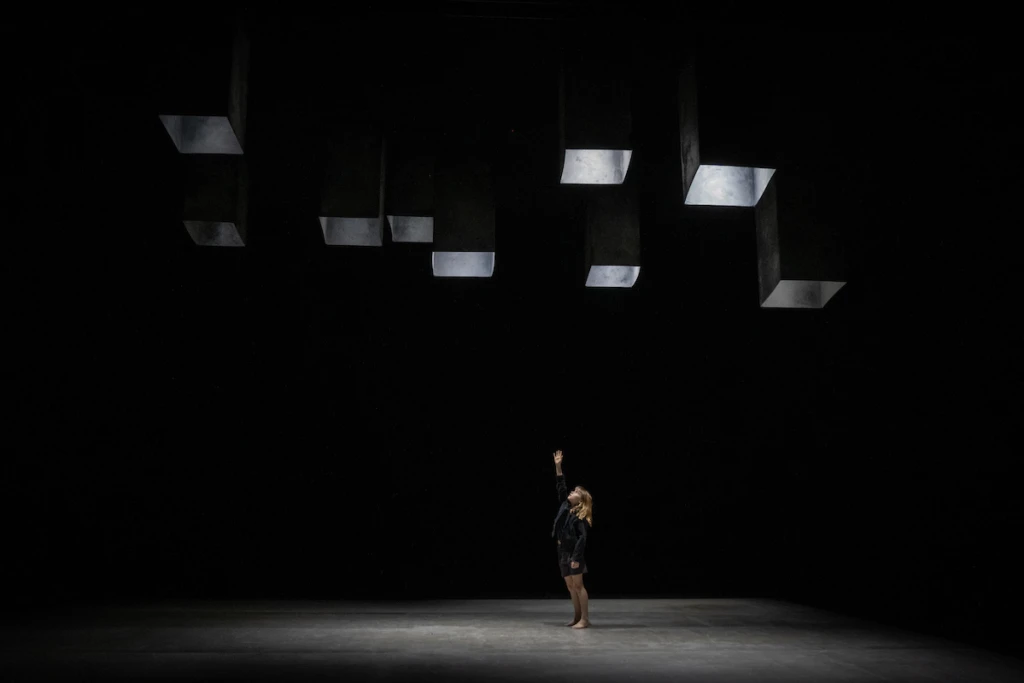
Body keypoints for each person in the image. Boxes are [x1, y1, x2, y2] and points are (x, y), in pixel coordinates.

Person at [551, 449, 593, 628]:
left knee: (578, 585)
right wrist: (558, 466)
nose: (571, 491)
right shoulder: (565, 506)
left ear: (581, 500)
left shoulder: (580, 516)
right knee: (570, 586)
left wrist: (576, 558)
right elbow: (561, 485)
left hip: (573, 554)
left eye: (576, 491)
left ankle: (585, 619)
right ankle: (576, 617)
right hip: (562, 551)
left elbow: (582, 538)